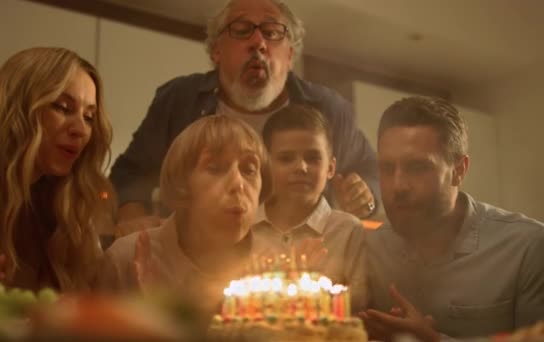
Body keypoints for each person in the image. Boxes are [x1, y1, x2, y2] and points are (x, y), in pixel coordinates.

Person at [110, 0, 379, 235]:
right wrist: (131, 215)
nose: (258, 43)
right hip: (194, 262)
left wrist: (366, 199)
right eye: (241, 30)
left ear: (289, 56)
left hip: (302, 262)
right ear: (216, 51)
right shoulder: (178, 100)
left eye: (272, 33)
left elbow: (374, 174)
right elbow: (130, 172)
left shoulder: (329, 109)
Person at [360, 97, 544, 340]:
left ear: (459, 170)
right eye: (386, 168)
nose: (398, 186)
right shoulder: (372, 248)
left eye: (417, 167)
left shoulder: (527, 248)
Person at [0, 47, 115, 292]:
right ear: (17, 109)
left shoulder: (67, 202)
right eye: (63, 108)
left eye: (89, 117)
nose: (80, 129)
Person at [97, 115, 271, 323]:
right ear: (182, 183)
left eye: (249, 170)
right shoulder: (125, 262)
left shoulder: (277, 268)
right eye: (215, 168)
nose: (238, 183)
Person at [253, 104, 367, 312]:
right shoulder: (245, 227)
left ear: (331, 168)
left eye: (313, 158)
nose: (301, 167)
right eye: (286, 158)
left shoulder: (348, 230)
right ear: (267, 166)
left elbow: (358, 306)